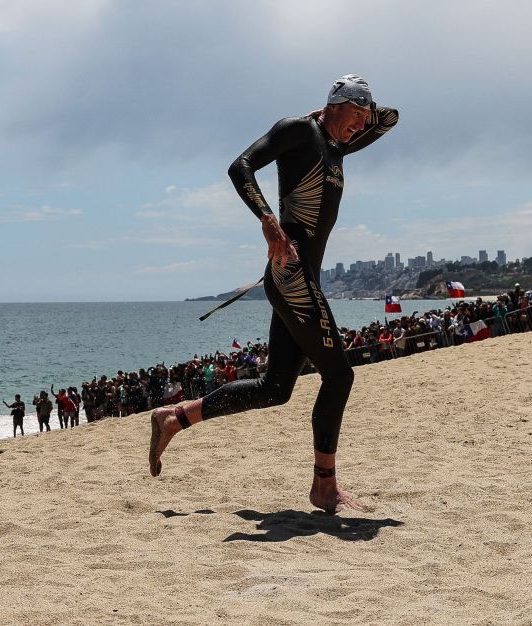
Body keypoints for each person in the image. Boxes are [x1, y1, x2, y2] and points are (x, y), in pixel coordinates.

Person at [147, 74, 398, 514]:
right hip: (291, 273)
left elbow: (390, 120)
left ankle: (176, 417)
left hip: (305, 279)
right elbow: (239, 166)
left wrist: (368, 113)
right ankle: (325, 486)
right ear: (334, 105)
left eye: (363, 120)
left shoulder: (338, 148)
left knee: (276, 387)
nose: (360, 126)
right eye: (355, 116)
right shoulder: (299, 131)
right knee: (339, 376)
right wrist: (266, 219)